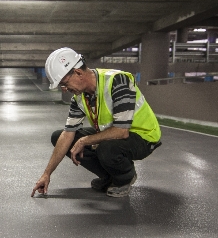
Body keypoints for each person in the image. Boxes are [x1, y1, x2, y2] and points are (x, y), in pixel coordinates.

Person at [31, 47, 161, 198]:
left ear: (78, 73)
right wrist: (46, 174)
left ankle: (124, 178)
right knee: (58, 136)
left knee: (106, 148)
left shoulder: (117, 81)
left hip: (143, 136)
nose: (65, 89)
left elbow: (121, 131)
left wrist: (86, 140)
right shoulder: (79, 97)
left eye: (64, 83)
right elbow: (68, 134)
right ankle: (108, 176)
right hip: (115, 134)